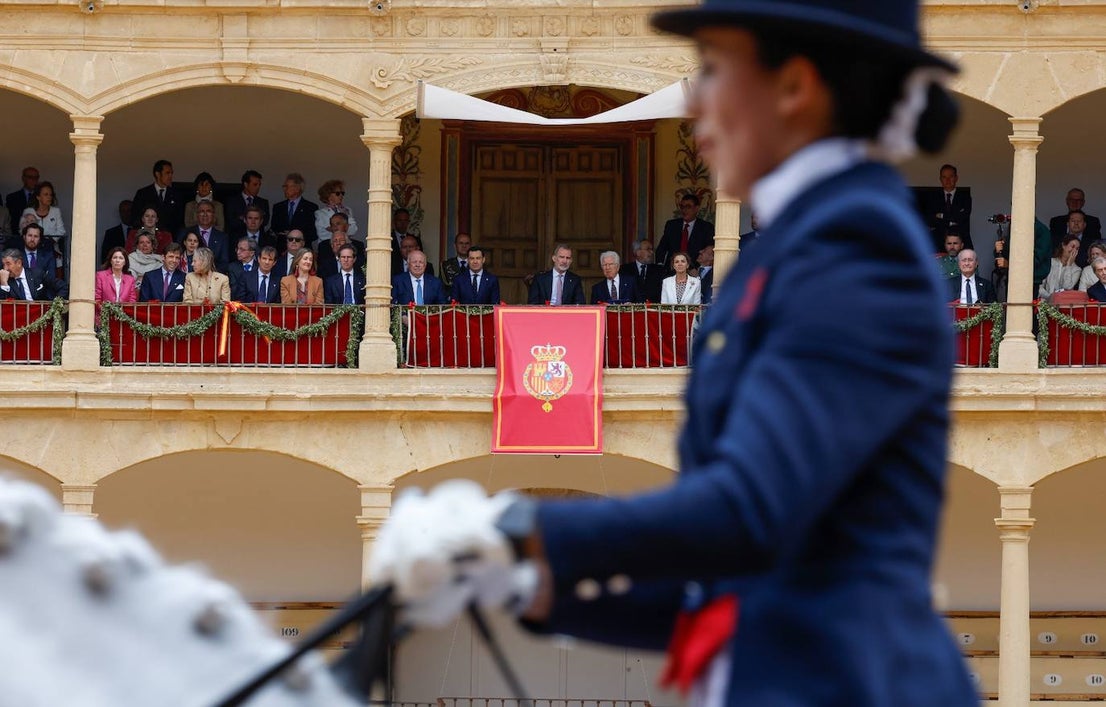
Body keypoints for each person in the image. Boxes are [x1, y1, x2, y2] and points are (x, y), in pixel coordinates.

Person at [370, 3, 976, 707]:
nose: (696, 103)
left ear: (794, 88)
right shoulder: (795, 246)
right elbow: (720, 593)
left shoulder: (853, 249)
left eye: (714, 70)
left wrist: (516, 525)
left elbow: (750, 511)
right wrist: (525, 586)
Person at [655, 192, 715, 269]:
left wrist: (699, 269)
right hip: (671, 270)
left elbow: (709, 252)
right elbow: (662, 248)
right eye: (682, 206)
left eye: (688, 207)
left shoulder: (706, 227)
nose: (684, 210)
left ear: (696, 208)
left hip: (694, 271)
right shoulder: (671, 225)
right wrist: (660, 266)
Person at [921, 163, 973, 251]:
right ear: (940, 179)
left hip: (962, 244)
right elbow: (930, 220)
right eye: (944, 177)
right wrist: (952, 221)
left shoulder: (965, 197)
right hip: (938, 244)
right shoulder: (933, 198)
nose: (947, 180)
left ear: (956, 178)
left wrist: (941, 216)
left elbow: (962, 218)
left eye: (951, 176)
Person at [131, 159, 184, 235]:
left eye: (172, 173)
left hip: (170, 238)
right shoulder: (143, 193)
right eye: (167, 173)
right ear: (157, 174)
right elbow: (136, 217)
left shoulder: (176, 195)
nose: (171, 176)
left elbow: (179, 220)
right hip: (148, 238)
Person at [21, 181, 66, 266]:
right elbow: (22, 231)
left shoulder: (56, 211)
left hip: (52, 249)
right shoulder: (28, 211)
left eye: (51, 195)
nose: (49, 197)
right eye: (46, 194)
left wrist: (48, 242)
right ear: (38, 197)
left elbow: (61, 231)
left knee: (58, 262)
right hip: (31, 249)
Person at [270, 172, 319, 247]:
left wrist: (294, 236)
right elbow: (274, 228)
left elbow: (313, 234)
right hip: (282, 250)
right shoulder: (278, 207)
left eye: (286, 186)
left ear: (297, 188)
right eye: (284, 186)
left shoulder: (310, 208)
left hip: (302, 250)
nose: (284, 189)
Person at [0, 248, 66, 301]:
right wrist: (4, 284)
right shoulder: (4, 279)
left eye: (8, 264)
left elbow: (62, 286)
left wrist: (56, 306)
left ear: (19, 263)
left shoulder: (37, 274)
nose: (5, 268)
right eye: (4, 264)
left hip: (40, 315)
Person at [225, 169, 270, 238]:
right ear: (246, 184)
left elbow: (265, 221)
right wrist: (254, 220)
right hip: (237, 239)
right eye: (255, 184)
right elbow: (231, 222)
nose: (258, 187)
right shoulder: (232, 201)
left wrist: (242, 218)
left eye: (259, 185)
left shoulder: (263, 202)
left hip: (257, 240)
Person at [314, 180, 359, 245]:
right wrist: (345, 228)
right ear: (328, 195)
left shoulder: (347, 210)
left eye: (342, 193)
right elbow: (324, 234)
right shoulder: (320, 213)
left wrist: (346, 215)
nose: (341, 196)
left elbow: (353, 230)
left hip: (345, 245)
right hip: (327, 245)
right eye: (338, 193)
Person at [619, 239, 664, 303]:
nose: (651, 252)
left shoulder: (659, 270)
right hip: (632, 309)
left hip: (653, 309)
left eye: (652, 249)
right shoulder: (624, 270)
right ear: (638, 252)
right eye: (648, 249)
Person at [190, 201, 230, 273]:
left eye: (208, 211)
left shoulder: (222, 237)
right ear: (197, 215)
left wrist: (209, 274)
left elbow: (224, 263)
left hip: (213, 278)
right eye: (202, 211)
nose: (205, 214)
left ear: (214, 215)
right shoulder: (186, 233)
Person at [1039, 234, 1082, 300]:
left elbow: (1067, 288)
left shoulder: (1077, 270)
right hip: (1045, 302)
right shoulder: (1050, 262)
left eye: (1077, 248)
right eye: (1072, 246)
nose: (1074, 250)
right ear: (1063, 245)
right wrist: (1050, 297)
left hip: (1064, 304)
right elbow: (1040, 286)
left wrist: (1068, 265)